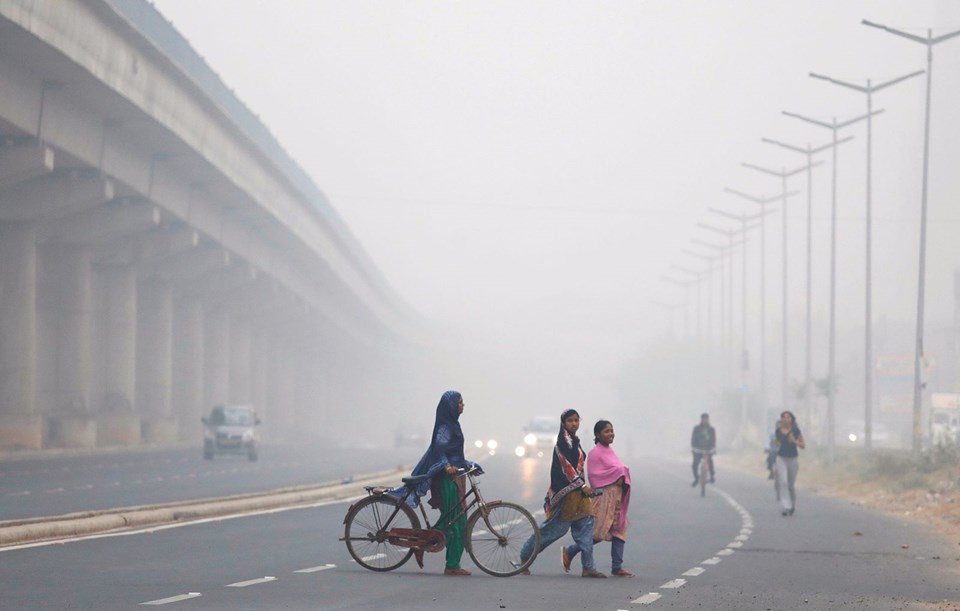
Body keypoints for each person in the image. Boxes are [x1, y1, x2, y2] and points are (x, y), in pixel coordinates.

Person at [519, 409, 607, 578]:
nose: (574, 423)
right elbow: (566, 468)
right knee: (552, 531)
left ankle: (588, 567)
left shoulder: (575, 441)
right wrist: (582, 486)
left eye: (576, 420)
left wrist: (582, 488)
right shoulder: (562, 443)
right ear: (564, 423)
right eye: (570, 421)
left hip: (579, 497)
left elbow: (578, 468)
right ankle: (525, 558)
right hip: (565, 496)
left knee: (585, 530)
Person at [404, 390, 479, 575]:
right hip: (446, 479)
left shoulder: (453, 424)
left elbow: (455, 453)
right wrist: (446, 467)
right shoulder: (445, 427)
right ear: (451, 406)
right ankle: (451, 564)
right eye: (460, 403)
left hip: (455, 477)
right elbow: (439, 450)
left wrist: (468, 464)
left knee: (453, 518)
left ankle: (434, 552)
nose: (463, 406)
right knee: (456, 520)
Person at [562, 420, 634, 577]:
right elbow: (595, 476)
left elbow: (617, 470)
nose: (611, 434)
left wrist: (620, 475)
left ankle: (617, 566)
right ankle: (570, 551)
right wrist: (619, 473)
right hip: (603, 498)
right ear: (597, 434)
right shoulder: (595, 453)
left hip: (617, 497)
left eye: (612, 430)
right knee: (598, 532)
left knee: (619, 530)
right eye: (607, 431)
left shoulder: (610, 451)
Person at [775, 410, 805, 516]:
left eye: (788, 417)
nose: (786, 419)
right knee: (783, 482)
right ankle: (786, 506)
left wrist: (794, 441)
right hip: (781, 458)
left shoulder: (796, 430)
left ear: (792, 419)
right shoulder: (778, 431)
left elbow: (803, 445)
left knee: (790, 484)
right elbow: (778, 442)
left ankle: (792, 504)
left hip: (792, 459)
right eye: (784, 417)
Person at [690, 413, 716, 487]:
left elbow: (714, 440)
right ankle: (696, 478)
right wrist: (693, 448)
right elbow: (693, 438)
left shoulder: (711, 429)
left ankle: (712, 476)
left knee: (710, 462)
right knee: (695, 464)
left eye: (706, 419)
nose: (705, 420)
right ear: (701, 419)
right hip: (698, 449)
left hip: (708, 449)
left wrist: (713, 448)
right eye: (703, 419)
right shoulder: (696, 428)